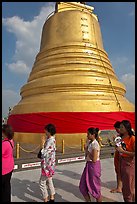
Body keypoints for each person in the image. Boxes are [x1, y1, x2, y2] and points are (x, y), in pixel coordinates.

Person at [79, 127, 102, 202]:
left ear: (93, 135)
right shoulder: (90, 143)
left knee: (95, 188)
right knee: (83, 186)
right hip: (88, 165)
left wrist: (87, 151)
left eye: (88, 134)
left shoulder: (95, 144)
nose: (87, 135)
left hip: (93, 167)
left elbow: (94, 159)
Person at [116, 120, 135, 202]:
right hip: (121, 161)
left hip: (129, 163)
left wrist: (123, 151)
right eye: (120, 127)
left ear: (127, 128)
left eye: (122, 127)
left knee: (129, 187)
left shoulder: (132, 138)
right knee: (125, 186)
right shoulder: (120, 138)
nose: (120, 129)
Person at [39, 124, 56, 202]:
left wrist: (42, 144)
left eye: (45, 130)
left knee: (42, 183)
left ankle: (45, 199)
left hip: (47, 165)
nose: (44, 131)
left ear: (49, 131)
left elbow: (44, 154)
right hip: (50, 165)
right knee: (49, 180)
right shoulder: (52, 139)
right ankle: (52, 197)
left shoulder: (49, 141)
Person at [2, 124, 14, 202]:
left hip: (4, 169)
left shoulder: (4, 144)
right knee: (6, 186)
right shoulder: (11, 141)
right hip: (9, 167)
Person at [110, 121, 122, 193]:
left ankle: (120, 187)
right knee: (119, 171)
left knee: (121, 172)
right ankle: (119, 187)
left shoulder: (124, 136)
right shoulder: (119, 136)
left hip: (122, 155)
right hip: (118, 155)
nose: (116, 130)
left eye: (117, 129)